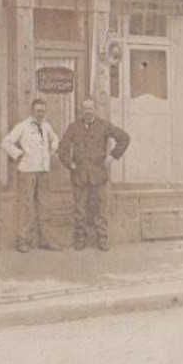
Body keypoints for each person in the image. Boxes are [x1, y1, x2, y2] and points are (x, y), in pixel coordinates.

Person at [58, 97, 130, 251]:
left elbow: (124, 138)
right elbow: (62, 147)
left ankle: (102, 239)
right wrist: (69, 164)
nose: (88, 112)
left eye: (91, 109)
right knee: (80, 209)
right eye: (85, 109)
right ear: (81, 110)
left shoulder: (103, 126)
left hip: (99, 174)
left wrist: (112, 157)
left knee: (100, 209)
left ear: (95, 110)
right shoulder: (73, 127)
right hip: (80, 175)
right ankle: (80, 239)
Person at [2, 97, 61, 253]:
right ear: (32, 111)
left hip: (43, 171)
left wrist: (53, 148)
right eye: (37, 111)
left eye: (43, 111)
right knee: (26, 206)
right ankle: (22, 241)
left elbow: (55, 138)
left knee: (44, 206)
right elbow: (6, 142)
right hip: (27, 171)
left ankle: (46, 240)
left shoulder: (47, 126)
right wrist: (19, 155)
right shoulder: (22, 126)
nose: (40, 114)